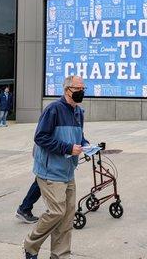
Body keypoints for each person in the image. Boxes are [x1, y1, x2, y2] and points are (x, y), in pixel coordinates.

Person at [23, 75, 89, 259]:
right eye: (78, 89)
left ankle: (60, 255)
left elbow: (78, 136)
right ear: (67, 89)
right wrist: (67, 148)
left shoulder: (79, 112)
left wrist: (86, 144)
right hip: (50, 171)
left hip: (68, 171)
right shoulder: (53, 109)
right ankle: (31, 244)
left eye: (83, 88)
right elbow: (40, 137)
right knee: (56, 212)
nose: (81, 92)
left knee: (67, 217)